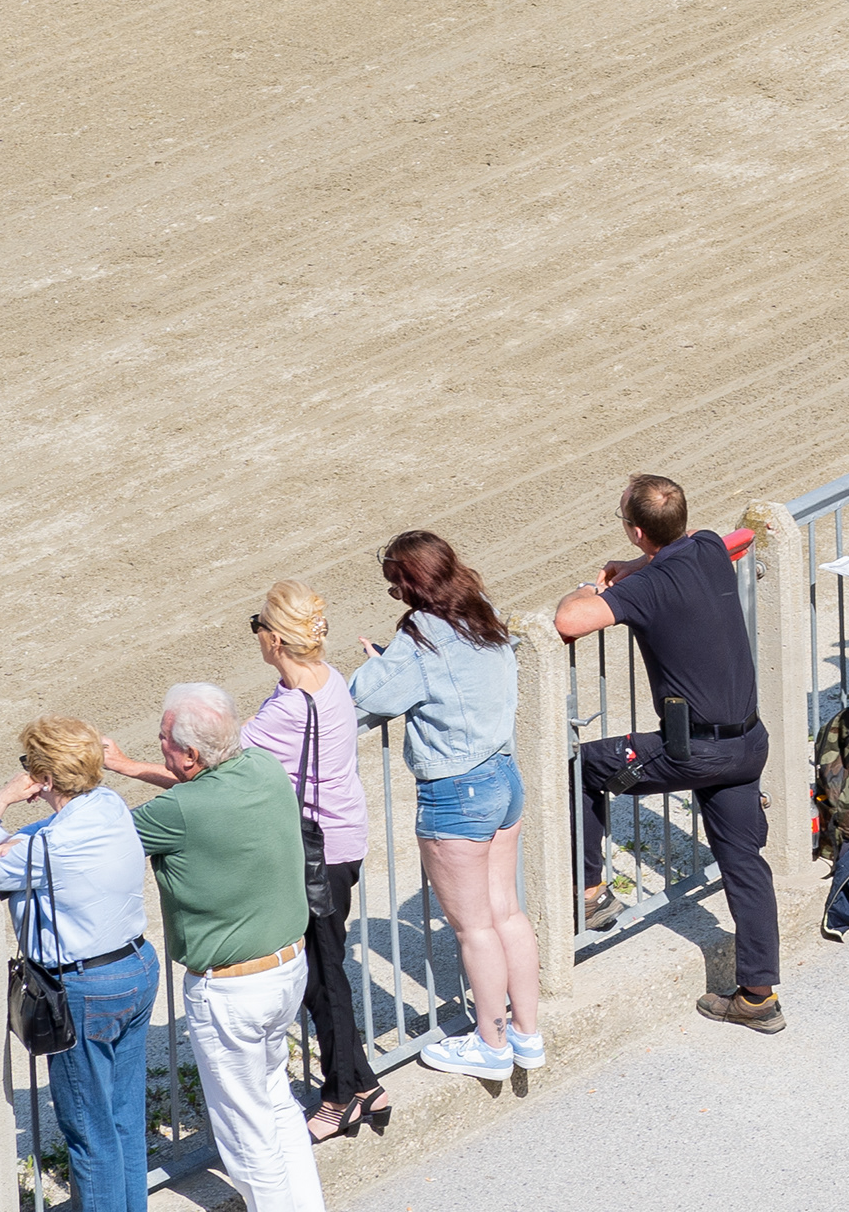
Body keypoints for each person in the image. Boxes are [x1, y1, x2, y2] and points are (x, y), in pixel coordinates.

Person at [556, 475, 780, 1031]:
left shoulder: (648, 588)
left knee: (584, 767)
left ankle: (591, 891)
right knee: (746, 866)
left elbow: (568, 621)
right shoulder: (706, 547)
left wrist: (589, 587)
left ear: (636, 531)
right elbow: (725, 540)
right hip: (747, 743)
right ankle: (759, 997)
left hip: (693, 751)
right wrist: (636, 567)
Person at [346, 532, 540, 1078]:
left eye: (395, 587)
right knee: (507, 913)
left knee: (474, 929)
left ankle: (491, 1046)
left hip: (456, 790)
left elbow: (364, 697)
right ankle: (527, 1035)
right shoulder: (483, 612)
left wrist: (384, 662)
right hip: (504, 775)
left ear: (411, 585)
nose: (395, 597)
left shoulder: (420, 636)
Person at [123, 682, 321, 1212]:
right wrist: (130, 767)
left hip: (231, 993)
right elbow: (202, 791)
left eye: (163, 739)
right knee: (277, 1103)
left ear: (190, 755)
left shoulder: (178, 811)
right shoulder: (263, 767)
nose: (159, 745)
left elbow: (96, 841)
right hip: (286, 970)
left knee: (246, 1132)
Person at [0, 717, 158, 1212]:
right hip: (136, 967)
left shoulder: (46, 847)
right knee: (123, 1120)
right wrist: (20, 842)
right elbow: (42, 836)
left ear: (45, 779)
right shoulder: (109, 804)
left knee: (90, 1136)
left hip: (86, 989)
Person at [237, 584, 381, 1140]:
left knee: (322, 977)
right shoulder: (330, 679)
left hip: (319, 856)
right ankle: (365, 1085)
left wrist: (129, 766)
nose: (255, 635)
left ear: (275, 639)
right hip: (342, 842)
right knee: (325, 970)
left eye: (257, 625)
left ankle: (339, 1096)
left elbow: (215, 763)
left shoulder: (290, 708)